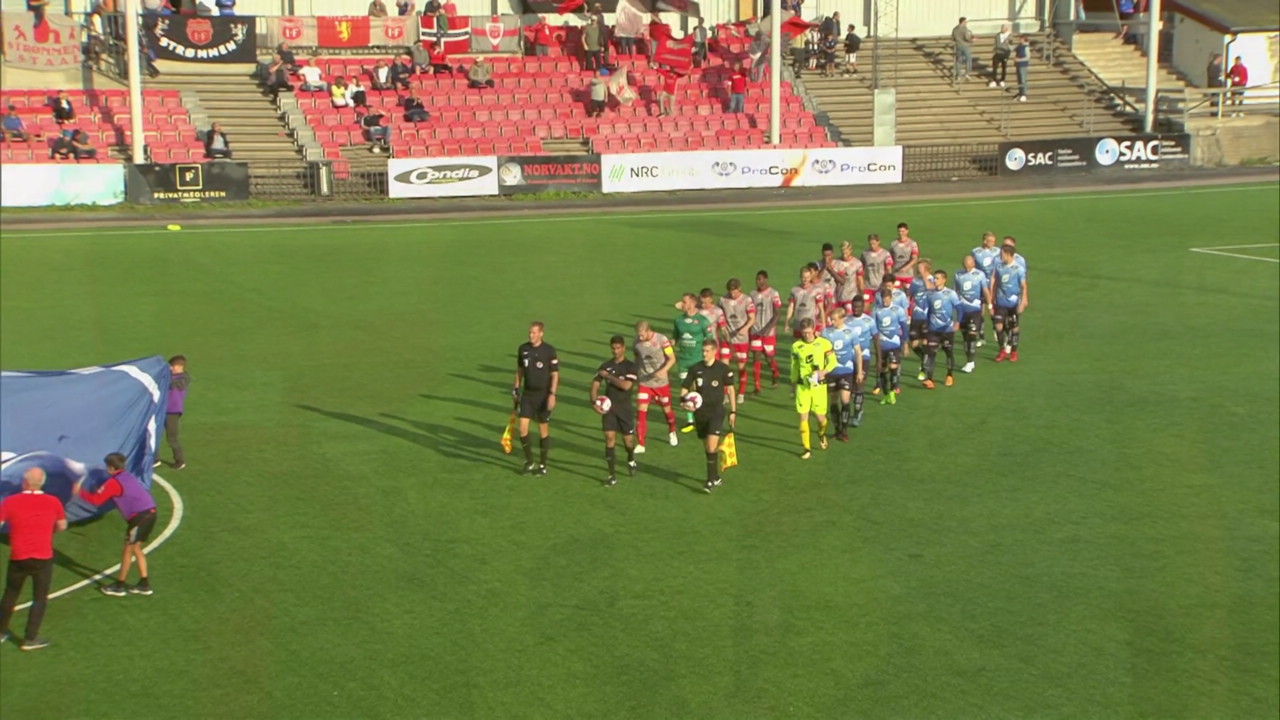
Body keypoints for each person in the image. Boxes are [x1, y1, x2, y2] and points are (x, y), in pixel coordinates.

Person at [0, 468, 66, 651]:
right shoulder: (53, 502)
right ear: (42, 483)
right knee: (40, 598)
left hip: (19, 556)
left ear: (24, 482)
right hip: (43, 557)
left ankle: (0, 630)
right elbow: (62, 525)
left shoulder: (11, 502)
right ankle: (30, 638)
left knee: (10, 593)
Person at [74, 454, 158, 597]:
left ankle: (120, 585)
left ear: (111, 468)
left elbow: (96, 500)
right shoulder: (127, 476)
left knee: (128, 549)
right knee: (136, 548)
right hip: (151, 513)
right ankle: (144, 583)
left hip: (140, 517)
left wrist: (79, 492)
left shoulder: (114, 482)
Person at [679, 340, 737, 492]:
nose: (704, 353)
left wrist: (733, 411)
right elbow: (685, 388)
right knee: (708, 448)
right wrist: (683, 402)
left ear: (714, 351)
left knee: (711, 445)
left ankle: (710, 481)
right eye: (703, 351)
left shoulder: (723, 369)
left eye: (707, 351)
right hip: (700, 413)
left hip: (717, 412)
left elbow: (731, 390)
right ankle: (716, 476)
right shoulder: (695, 369)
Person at [591, 336, 639, 487]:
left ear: (624, 348)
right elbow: (595, 384)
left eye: (618, 348)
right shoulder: (605, 365)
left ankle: (630, 459)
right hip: (609, 409)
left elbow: (626, 386)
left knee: (628, 442)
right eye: (613, 348)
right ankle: (612, 475)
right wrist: (594, 402)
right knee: (610, 438)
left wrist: (609, 377)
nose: (616, 351)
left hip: (625, 409)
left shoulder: (631, 367)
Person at [513, 321, 559, 475]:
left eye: (534, 332)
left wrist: (552, 394)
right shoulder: (523, 349)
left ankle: (543, 465)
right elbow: (520, 370)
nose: (531, 335)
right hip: (528, 395)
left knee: (542, 428)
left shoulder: (549, 350)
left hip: (543, 396)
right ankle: (529, 461)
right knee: (523, 429)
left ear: (541, 333)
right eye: (530, 332)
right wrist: (516, 388)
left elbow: (555, 374)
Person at [790, 319, 836, 460]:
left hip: (819, 387)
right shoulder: (796, 346)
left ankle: (821, 434)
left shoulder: (824, 343)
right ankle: (807, 448)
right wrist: (793, 384)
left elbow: (833, 362)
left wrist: (823, 372)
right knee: (803, 417)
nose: (807, 336)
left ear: (814, 330)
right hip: (803, 387)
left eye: (809, 333)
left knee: (821, 419)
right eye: (804, 333)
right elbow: (794, 366)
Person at [633, 320, 679, 453]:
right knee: (641, 410)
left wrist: (664, 371)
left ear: (649, 331)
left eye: (642, 335)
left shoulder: (662, 339)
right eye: (638, 335)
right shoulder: (636, 342)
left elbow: (672, 358)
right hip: (644, 382)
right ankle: (641, 443)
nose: (640, 338)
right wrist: (637, 372)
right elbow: (637, 357)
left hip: (661, 383)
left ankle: (672, 430)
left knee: (667, 410)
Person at [821, 307, 865, 443]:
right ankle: (837, 429)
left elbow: (858, 352)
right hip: (831, 372)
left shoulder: (850, 333)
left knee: (845, 399)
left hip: (846, 372)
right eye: (831, 319)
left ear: (842, 319)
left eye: (834, 320)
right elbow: (820, 352)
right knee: (833, 400)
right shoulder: (826, 332)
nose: (831, 322)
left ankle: (844, 431)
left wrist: (859, 371)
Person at [673, 293, 714, 432]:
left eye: (684, 302)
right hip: (683, 361)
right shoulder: (678, 320)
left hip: (698, 361)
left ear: (692, 303)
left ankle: (703, 417)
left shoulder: (702, 321)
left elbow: (710, 341)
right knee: (686, 390)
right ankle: (690, 420)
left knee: (700, 390)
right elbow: (675, 338)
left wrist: (708, 357)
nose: (682, 304)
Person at [922, 269, 962, 389]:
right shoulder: (930, 294)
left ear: (944, 280)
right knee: (931, 353)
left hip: (947, 329)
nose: (935, 280)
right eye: (934, 278)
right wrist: (927, 326)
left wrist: (958, 322)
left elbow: (959, 309)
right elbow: (929, 311)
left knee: (948, 352)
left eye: (938, 278)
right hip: (933, 330)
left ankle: (949, 375)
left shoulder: (950, 294)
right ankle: (930, 379)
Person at [720, 278, 756, 403]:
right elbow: (720, 316)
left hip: (741, 340)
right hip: (727, 339)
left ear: (739, 289)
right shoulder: (723, 300)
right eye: (730, 292)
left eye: (734, 292)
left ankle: (741, 393)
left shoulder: (747, 300)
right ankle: (725, 394)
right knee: (724, 368)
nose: (732, 294)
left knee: (741, 367)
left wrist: (745, 328)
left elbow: (752, 318)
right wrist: (723, 329)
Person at [872, 284, 908, 404]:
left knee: (893, 366)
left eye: (887, 299)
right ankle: (886, 394)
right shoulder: (877, 310)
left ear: (891, 298)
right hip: (881, 345)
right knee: (882, 370)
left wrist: (904, 342)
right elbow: (874, 328)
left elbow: (904, 327)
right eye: (884, 299)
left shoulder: (898, 310)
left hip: (894, 343)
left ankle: (892, 391)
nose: (885, 301)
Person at [992, 244, 1028, 362]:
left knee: (1014, 328)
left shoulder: (1018, 269)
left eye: (1002, 254)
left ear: (1008, 254)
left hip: (1013, 303)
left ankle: (1014, 351)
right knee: (998, 326)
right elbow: (996, 283)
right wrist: (992, 301)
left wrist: (1023, 301)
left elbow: (1023, 286)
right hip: (1001, 302)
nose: (1000, 256)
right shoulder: (999, 267)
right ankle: (1002, 350)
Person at [954, 254, 990, 374]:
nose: (966, 266)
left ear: (973, 263)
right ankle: (969, 360)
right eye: (965, 263)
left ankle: (970, 362)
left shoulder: (979, 275)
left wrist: (989, 304)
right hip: (963, 310)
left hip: (975, 310)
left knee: (972, 335)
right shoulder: (958, 274)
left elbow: (985, 290)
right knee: (965, 338)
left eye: (968, 263)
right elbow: (956, 291)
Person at [748, 270, 782, 392]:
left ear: (766, 279)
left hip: (769, 333)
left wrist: (768, 329)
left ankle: (775, 373)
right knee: (756, 357)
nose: (759, 282)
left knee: (769, 357)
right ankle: (757, 385)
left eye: (762, 279)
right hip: (755, 331)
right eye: (757, 279)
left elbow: (777, 314)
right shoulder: (752, 295)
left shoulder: (773, 293)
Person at [846, 295, 875, 427]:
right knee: (849, 387)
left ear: (863, 307)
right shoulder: (846, 320)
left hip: (864, 358)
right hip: (848, 358)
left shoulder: (869, 321)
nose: (855, 309)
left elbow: (876, 338)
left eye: (858, 307)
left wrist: (880, 359)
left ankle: (858, 411)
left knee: (860, 384)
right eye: (854, 307)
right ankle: (847, 411)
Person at [158, 354, 190, 468]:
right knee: (155, 434)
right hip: (161, 410)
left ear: (179, 366)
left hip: (173, 412)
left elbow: (174, 385)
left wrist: (165, 378)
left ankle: (180, 461)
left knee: (172, 438)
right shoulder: (168, 377)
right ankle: (155, 458)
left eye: (172, 366)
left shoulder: (184, 378)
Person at [906, 259, 935, 380]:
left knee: (924, 342)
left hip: (927, 316)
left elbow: (931, 288)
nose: (918, 269)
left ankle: (923, 369)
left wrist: (924, 276)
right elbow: (909, 294)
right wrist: (907, 310)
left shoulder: (932, 279)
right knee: (914, 344)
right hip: (916, 316)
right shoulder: (915, 281)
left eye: (921, 267)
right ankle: (926, 358)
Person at [785, 264, 825, 340]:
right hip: (797, 325)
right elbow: (791, 307)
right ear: (800, 276)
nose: (805, 280)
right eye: (803, 277)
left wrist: (823, 325)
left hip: (810, 326)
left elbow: (821, 309)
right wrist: (787, 323)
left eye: (807, 277)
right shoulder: (794, 290)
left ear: (810, 277)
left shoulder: (816, 290)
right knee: (798, 347)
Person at [696, 288, 731, 365]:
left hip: (712, 343)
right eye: (702, 298)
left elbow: (723, 328)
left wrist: (728, 341)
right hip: (698, 344)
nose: (703, 301)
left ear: (710, 298)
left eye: (705, 298)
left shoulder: (717, 311)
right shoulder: (697, 311)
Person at [831, 241, 865, 314]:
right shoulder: (836, 262)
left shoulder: (857, 263)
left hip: (851, 296)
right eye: (843, 252)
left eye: (846, 252)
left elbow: (860, 280)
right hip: (838, 297)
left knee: (849, 317)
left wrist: (861, 294)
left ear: (850, 250)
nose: (844, 255)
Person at [860, 233, 893, 307]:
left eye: (874, 243)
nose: (872, 245)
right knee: (865, 307)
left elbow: (889, 269)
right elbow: (861, 269)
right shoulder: (865, 254)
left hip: (880, 286)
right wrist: (862, 283)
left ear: (878, 242)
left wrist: (887, 283)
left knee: (882, 305)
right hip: (868, 286)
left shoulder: (885, 254)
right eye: (870, 243)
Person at [890, 222, 919, 290]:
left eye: (902, 231)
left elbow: (915, 258)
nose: (901, 233)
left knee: (909, 294)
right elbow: (891, 258)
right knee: (895, 293)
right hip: (897, 274)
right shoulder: (893, 244)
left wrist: (906, 268)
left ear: (907, 231)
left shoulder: (912, 243)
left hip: (908, 274)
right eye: (899, 231)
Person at [951, 17, 973, 81]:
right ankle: (967, 73)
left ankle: (958, 75)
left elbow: (952, 38)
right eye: (966, 22)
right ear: (963, 22)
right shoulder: (964, 29)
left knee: (958, 61)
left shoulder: (955, 29)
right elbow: (966, 37)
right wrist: (971, 40)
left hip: (958, 45)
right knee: (968, 59)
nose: (966, 23)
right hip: (965, 45)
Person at [989, 23, 1011, 88]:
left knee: (1004, 67)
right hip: (997, 53)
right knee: (995, 66)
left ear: (1006, 29)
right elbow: (995, 44)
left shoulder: (1009, 35)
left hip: (1005, 53)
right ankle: (994, 80)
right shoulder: (997, 35)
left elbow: (1011, 44)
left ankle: (1002, 80)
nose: (1002, 29)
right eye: (1001, 28)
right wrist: (994, 51)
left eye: (1003, 28)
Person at [1013, 35, 1030, 102]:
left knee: (1023, 80)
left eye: (1020, 39)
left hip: (1023, 65)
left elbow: (1027, 57)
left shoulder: (1026, 47)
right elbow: (1012, 49)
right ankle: (1020, 92)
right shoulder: (1019, 46)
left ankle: (1024, 94)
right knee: (1019, 80)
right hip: (1018, 65)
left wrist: (1019, 60)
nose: (1019, 40)